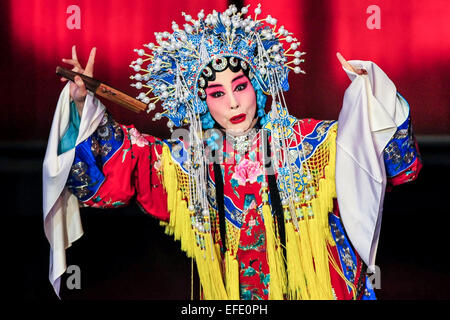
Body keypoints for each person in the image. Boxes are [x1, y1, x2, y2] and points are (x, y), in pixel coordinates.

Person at [43, 4, 422, 300]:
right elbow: (127, 166)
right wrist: (81, 107)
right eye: (218, 93)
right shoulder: (189, 161)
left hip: (321, 287)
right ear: (200, 101)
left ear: (258, 84)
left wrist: (372, 98)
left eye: (240, 86)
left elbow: (386, 163)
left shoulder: (311, 143)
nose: (234, 103)